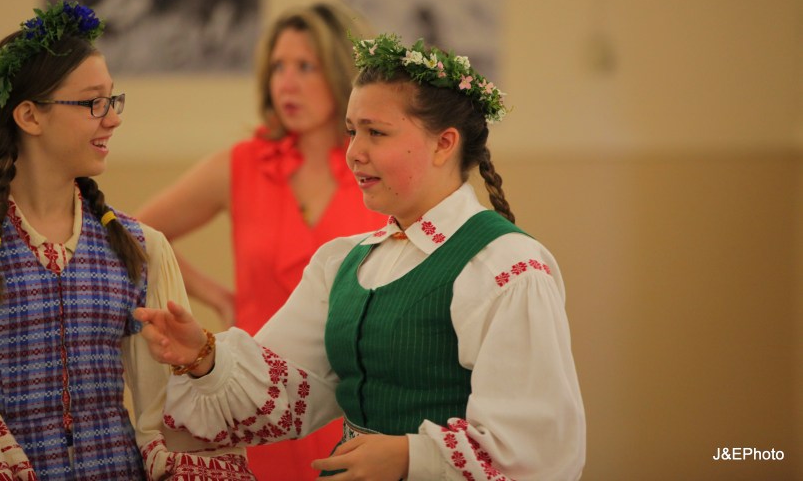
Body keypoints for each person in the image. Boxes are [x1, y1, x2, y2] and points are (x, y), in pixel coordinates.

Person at [135, 33, 587, 480]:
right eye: (352, 131)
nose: (354, 153)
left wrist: (411, 456)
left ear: (444, 144)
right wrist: (204, 356)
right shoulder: (343, 262)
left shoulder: (505, 267)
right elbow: (283, 386)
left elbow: (537, 449)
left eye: (376, 133)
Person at [0, 1, 253, 479]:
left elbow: (166, 409)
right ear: (30, 116)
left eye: (113, 100)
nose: (112, 119)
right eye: (93, 103)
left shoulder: (139, 247)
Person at [135, 2, 387, 481]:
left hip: (352, 404)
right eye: (277, 67)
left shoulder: (376, 168)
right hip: (254, 398)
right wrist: (215, 295)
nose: (286, 84)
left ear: (342, 73)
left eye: (305, 67)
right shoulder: (242, 165)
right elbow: (136, 232)